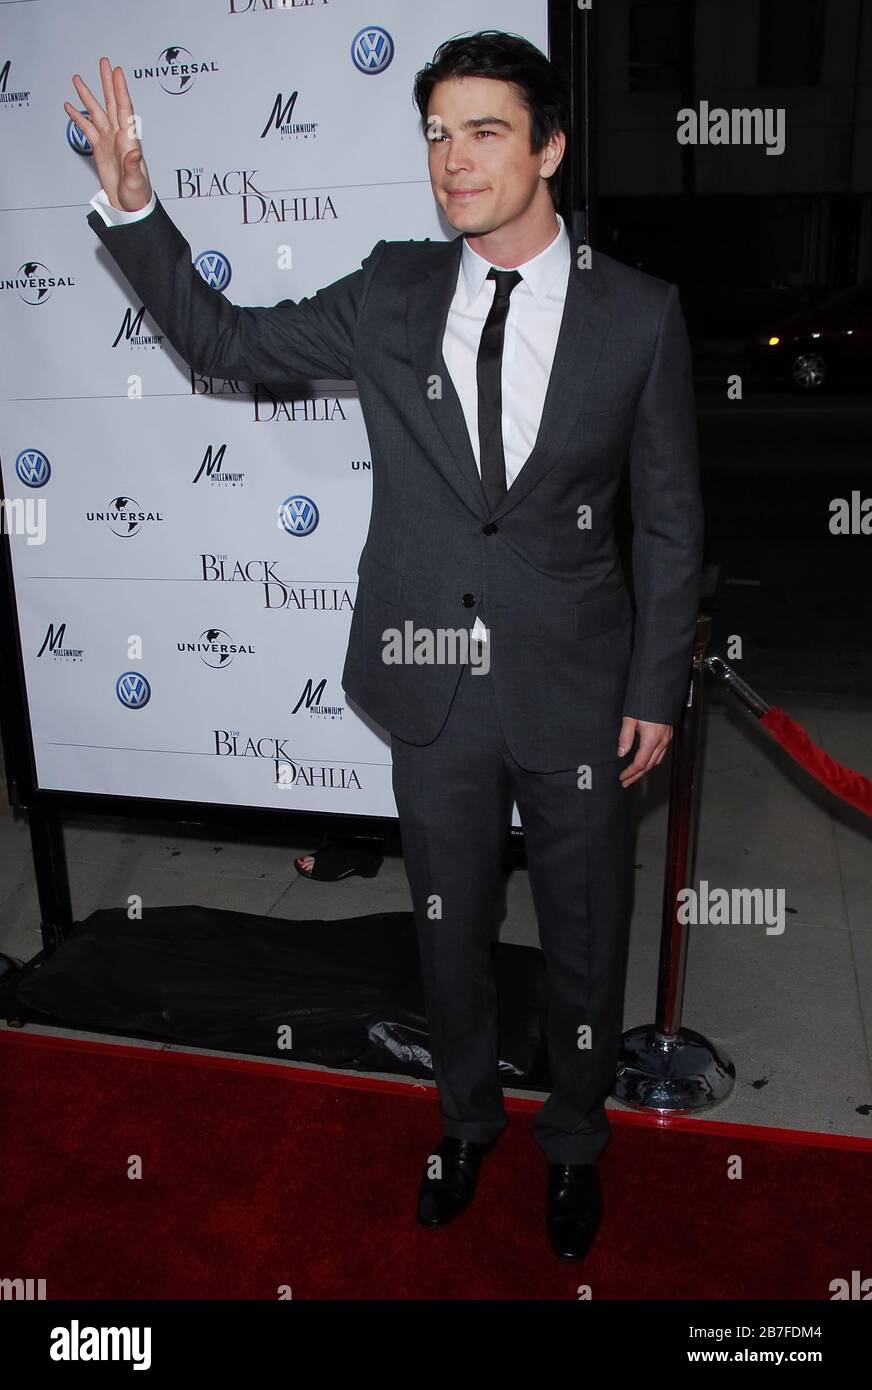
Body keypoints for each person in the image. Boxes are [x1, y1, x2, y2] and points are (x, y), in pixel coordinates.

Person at [65, 30, 703, 1262]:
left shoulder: (637, 316)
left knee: (583, 940)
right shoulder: (392, 289)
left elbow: (671, 521)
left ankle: (573, 1143)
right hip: (429, 685)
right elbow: (227, 347)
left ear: (550, 146)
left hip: (579, 688)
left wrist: (656, 686)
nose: (452, 161)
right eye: (433, 134)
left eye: (483, 131)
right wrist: (135, 206)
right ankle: (463, 1123)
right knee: (445, 928)